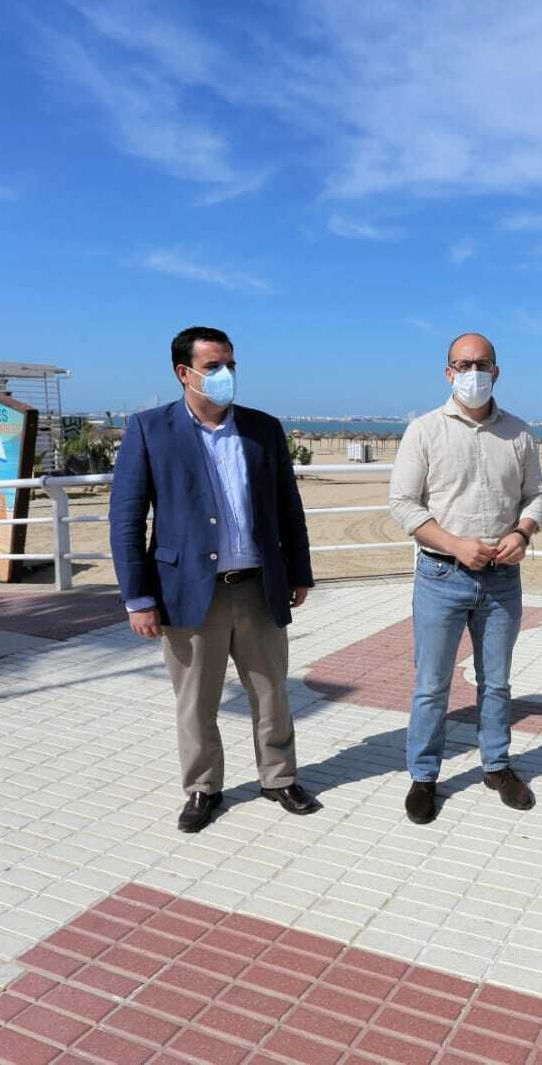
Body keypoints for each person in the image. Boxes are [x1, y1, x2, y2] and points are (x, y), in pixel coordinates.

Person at [110, 326, 320, 833]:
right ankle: (203, 787)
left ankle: (279, 777)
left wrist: (299, 571)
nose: (225, 374)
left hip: (258, 586)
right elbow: (126, 518)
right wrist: (138, 598)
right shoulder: (149, 429)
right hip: (187, 592)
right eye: (213, 366)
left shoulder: (263, 428)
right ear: (184, 373)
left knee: (272, 693)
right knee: (196, 702)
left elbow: (288, 507)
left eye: (230, 364)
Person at [388, 333, 542, 825]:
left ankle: (496, 766)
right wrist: (455, 544)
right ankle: (423, 775)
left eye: (481, 364)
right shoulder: (424, 431)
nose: (472, 372)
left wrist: (522, 532)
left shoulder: (519, 433)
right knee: (431, 685)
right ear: (448, 372)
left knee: (496, 683)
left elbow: (536, 495)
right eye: (462, 364)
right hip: (441, 575)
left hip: (502, 579)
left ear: (496, 371)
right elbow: (403, 504)